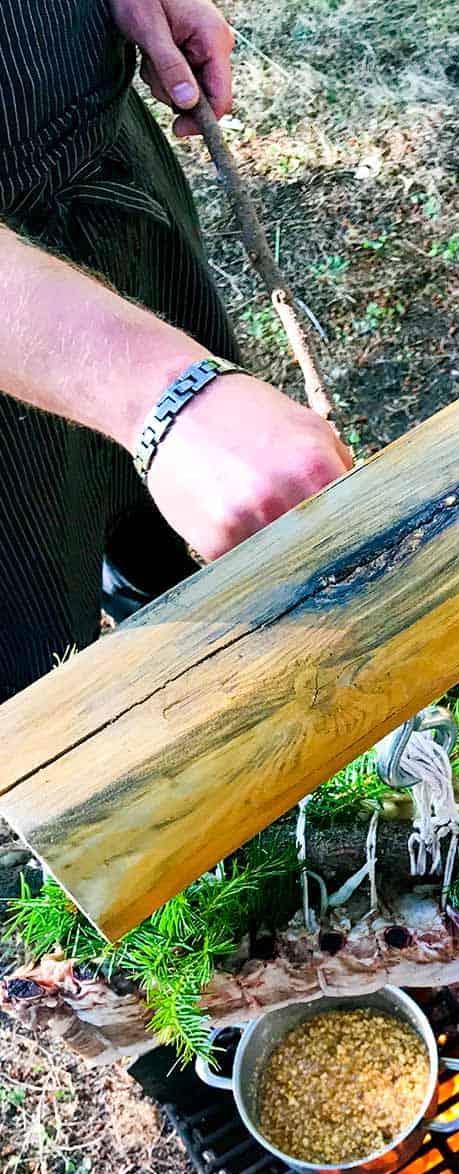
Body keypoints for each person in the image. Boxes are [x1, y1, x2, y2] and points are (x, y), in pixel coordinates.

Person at [0, 0, 351, 702]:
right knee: (31, 676)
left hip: (96, 140)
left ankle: (191, 629)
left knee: (159, 519)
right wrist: (153, 390)